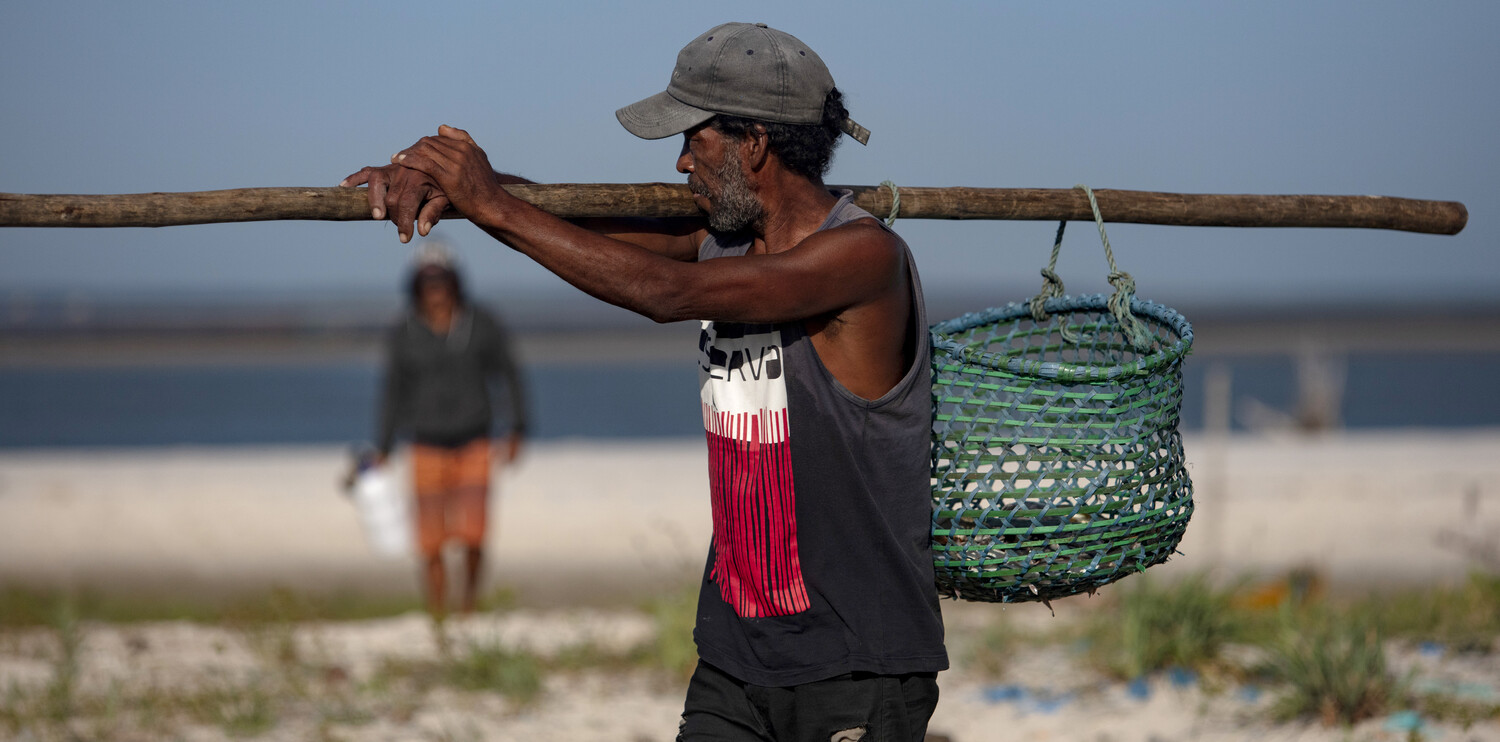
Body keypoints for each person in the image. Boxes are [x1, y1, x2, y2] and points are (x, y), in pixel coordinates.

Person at [344, 22, 946, 740]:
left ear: (754, 143)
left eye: (695, 139)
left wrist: (490, 203)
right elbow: (572, 226)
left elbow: (667, 295)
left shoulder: (861, 256)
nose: (684, 161)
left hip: (858, 664)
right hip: (735, 658)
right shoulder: (717, 238)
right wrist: (464, 185)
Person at [376, 244, 528, 618]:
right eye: (428, 281)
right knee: (429, 542)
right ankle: (438, 614)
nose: (436, 289)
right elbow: (392, 390)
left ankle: (469, 606)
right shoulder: (403, 330)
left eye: (441, 280)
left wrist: (517, 428)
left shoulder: (482, 322)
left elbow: (509, 375)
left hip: (474, 441)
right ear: (416, 285)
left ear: (455, 282)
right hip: (424, 445)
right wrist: (382, 445)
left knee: (474, 535)